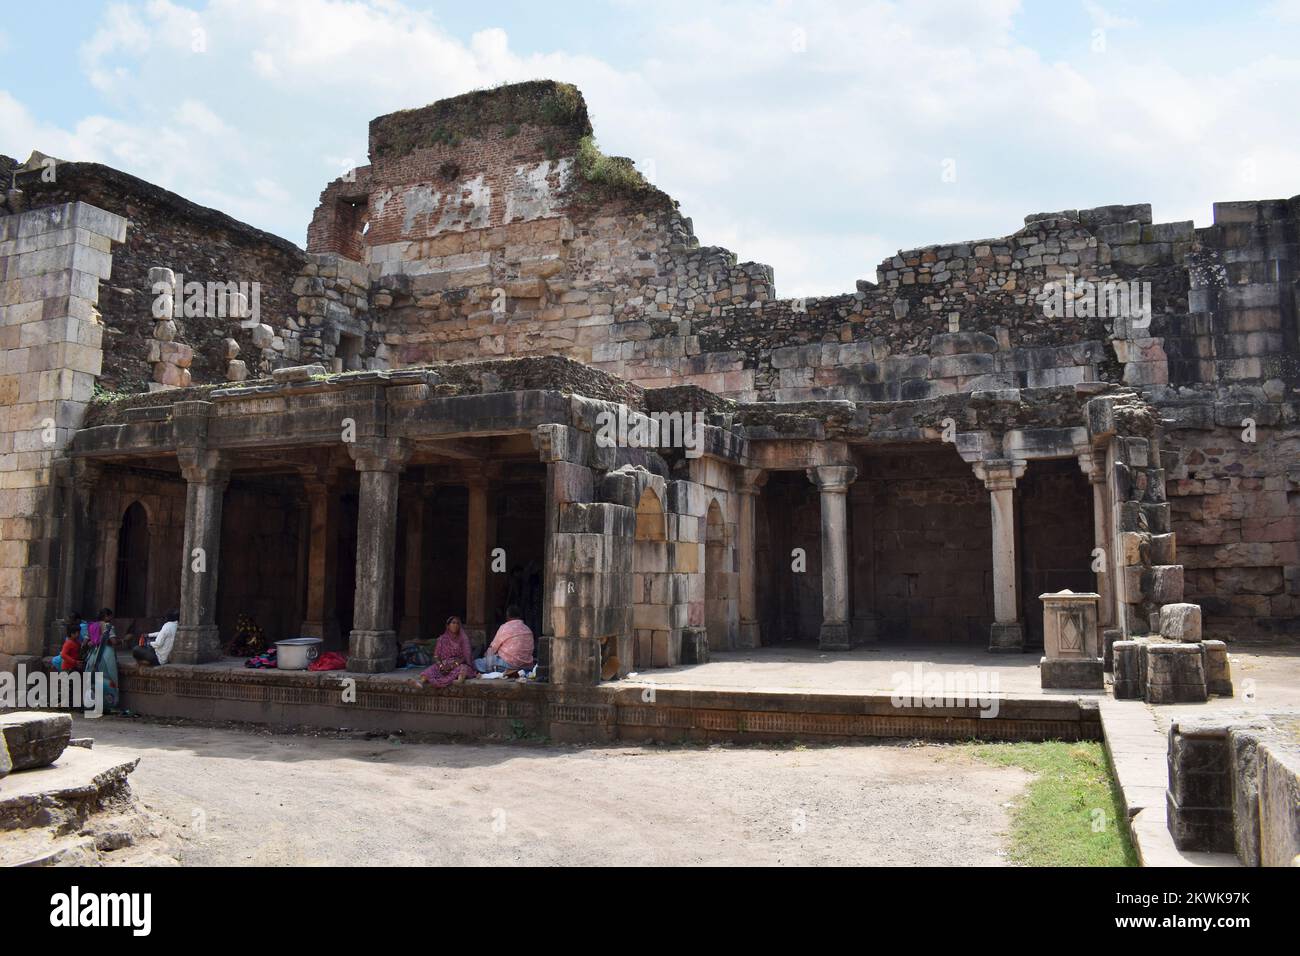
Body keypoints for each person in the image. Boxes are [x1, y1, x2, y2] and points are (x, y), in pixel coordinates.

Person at [411, 616, 477, 689]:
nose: (456, 625)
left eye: (458, 623)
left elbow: (465, 656)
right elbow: (436, 656)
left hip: (458, 663)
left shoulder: (463, 639)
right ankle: (421, 682)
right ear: (448, 626)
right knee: (431, 669)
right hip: (444, 664)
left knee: (463, 668)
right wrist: (441, 666)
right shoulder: (442, 639)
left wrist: (453, 665)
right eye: (453, 623)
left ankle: (459, 681)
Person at [474, 605, 534, 675]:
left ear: (507, 616)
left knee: (475, 663)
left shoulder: (505, 627)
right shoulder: (527, 629)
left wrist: (486, 657)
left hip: (508, 664)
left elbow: (492, 648)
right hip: (526, 665)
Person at [83, 608, 121, 710]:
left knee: (93, 679)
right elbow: (113, 641)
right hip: (106, 655)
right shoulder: (108, 626)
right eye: (110, 616)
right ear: (106, 616)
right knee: (107, 677)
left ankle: (92, 703)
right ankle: (108, 704)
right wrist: (122, 641)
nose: (111, 618)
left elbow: (85, 642)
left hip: (93, 655)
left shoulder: (91, 626)